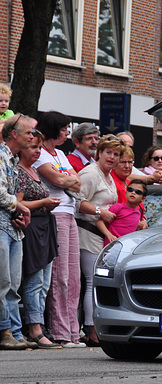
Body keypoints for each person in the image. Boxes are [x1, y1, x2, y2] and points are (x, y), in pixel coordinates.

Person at [33, 111, 84, 348]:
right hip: (54, 215)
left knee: (74, 277)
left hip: (70, 213)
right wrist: (65, 178)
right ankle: (61, 330)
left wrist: (65, 178)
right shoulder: (40, 153)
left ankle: (74, 331)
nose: (67, 132)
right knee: (60, 276)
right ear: (54, 129)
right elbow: (61, 181)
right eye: (64, 128)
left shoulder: (61, 154)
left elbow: (76, 180)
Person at [15, 132, 62, 348]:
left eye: (40, 148)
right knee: (34, 281)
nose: (37, 151)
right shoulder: (18, 172)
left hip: (46, 226)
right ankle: (34, 328)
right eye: (33, 147)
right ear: (22, 148)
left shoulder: (34, 171)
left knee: (44, 283)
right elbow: (18, 203)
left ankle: (39, 325)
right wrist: (44, 201)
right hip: (32, 227)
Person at [76, 135, 123, 346]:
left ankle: (95, 327)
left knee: (95, 282)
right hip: (86, 232)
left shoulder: (109, 175)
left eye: (116, 154)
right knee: (92, 281)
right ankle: (91, 330)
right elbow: (77, 202)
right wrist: (99, 211)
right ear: (99, 153)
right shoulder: (90, 173)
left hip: (102, 234)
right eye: (108, 152)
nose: (112, 157)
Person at [0, 114, 33, 350]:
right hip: (1, 227)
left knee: (13, 283)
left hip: (12, 228)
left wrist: (18, 216)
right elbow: (0, 194)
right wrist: (20, 207)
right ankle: (5, 331)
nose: (31, 136)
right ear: (14, 134)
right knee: (3, 282)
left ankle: (16, 332)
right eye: (28, 132)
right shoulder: (1, 156)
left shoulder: (12, 160)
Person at [96, 180, 146, 246]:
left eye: (138, 192)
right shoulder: (118, 207)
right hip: (112, 246)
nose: (133, 192)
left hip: (126, 248)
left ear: (143, 199)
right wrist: (109, 235)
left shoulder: (138, 213)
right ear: (126, 192)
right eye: (130, 189)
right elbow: (99, 222)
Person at [110, 145, 147, 230]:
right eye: (123, 162)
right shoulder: (111, 183)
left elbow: (138, 207)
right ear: (114, 164)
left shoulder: (129, 184)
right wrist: (134, 223)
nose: (127, 166)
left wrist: (144, 220)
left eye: (130, 162)